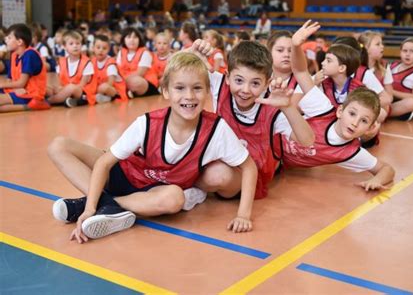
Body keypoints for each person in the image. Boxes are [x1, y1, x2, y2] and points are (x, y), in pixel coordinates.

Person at [49, 51, 259, 243]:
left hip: (154, 191)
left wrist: (243, 214)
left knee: (175, 199)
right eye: (180, 88)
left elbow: (249, 167)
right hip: (124, 173)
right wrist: (90, 209)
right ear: (165, 91)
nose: (189, 96)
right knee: (58, 146)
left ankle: (111, 205)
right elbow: (105, 163)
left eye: (197, 88)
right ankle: (103, 205)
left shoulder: (216, 129)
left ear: (207, 91)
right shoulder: (147, 123)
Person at [283, 21, 395, 191]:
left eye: (364, 121)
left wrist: (376, 181)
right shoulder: (322, 108)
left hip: (279, 164)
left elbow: (387, 169)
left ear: (370, 128)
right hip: (267, 141)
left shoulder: (350, 152)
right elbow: (300, 72)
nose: (355, 123)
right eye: (352, 114)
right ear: (340, 110)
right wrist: (296, 45)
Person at [199, 40, 315, 199]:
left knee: (217, 175)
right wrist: (191, 51)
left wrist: (288, 108)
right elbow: (175, 73)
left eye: (255, 83)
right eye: (239, 80)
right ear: (227, 77)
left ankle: (192, 188)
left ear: (267, 84)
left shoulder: (272, 109)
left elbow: (307, 140)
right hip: (220, 158)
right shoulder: (219, 83)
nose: (245, 90)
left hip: (247, 177)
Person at [0, 23, 49, 112]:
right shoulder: (14, 54)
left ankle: (31, 106)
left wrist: (2, 85)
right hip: (18, 90)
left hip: (30, 94)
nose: (5, 40)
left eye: (9, 38)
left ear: (19, 42)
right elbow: (10, 79)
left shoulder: (30, 55)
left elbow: (21, 83)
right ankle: (28, 106)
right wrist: (13, 89)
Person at [47, 30, 97, 107]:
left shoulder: (87, 62)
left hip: (82, 93)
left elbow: (81, 85)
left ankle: (49, 101)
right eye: (71, 44)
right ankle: (64, 99)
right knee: (48, 88)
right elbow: (59, 82)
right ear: (64, 46)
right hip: (66, 89)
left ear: (81, 45)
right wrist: (59, 88)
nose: (75, 46)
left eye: (78, 43)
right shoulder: (61, 61)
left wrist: (64, 90)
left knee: (71, 88)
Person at [387, 38, 413, 120]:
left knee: (412, 103)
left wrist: (391, 91)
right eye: (405, 51)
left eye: (412, 51)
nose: (407, 54)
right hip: (388, 100)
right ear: (400, 52)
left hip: (402, 106)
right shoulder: (392, 66)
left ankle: (383, 113)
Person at [116, 28, 158, 98]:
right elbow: (118, 71)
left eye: (135, 37)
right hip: (126, 82)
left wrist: (121, 82)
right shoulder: (121, 52)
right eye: (129, 37)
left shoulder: (145, 53)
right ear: (124, 40)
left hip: (146, 83)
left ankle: (123, 92)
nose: (132, 40)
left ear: (139, 40)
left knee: (136, 81)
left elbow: (140, 73)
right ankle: (127, 93)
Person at [90, 35, 128, 103]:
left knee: (104, 87)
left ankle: (113, 97)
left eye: (104, 48)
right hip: (101, 89)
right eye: (98, 47)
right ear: (93, 48)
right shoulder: (92, 61)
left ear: (108, 49)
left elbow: (110, 82)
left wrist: (94, 89)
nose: (101, 50)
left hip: (115, 89)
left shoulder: (110, 63)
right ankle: (104, 98)